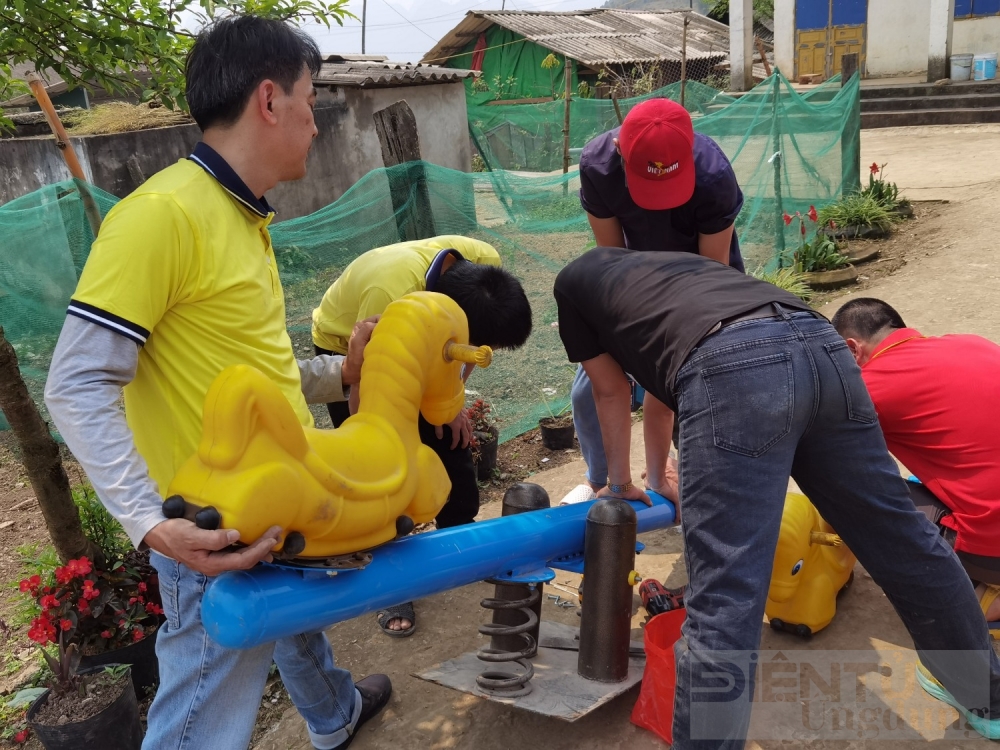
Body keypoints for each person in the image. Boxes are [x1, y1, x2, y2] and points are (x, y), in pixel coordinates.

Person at [45, 17, 391, 750]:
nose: (316, 125)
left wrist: (341, 374)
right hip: (211, 529)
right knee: (201, 712)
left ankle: (334, 714)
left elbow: (247, 370)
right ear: (270, 100)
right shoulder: (163, 216)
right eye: (311, 99)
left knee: (294, 617)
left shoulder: (241, 216)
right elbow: (76, 382)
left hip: (276, 504)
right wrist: (148, 521)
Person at [554, 247, 1000, 748]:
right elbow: (663, 397)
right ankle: (989, 699)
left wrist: (618, 486)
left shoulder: (574, 284)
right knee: (906, 543)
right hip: (822, 344)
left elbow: (611, 393)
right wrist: (658, 476)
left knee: (726, 595)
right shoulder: (677, 278)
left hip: (731, 365)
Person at [312, 235, 533, 636]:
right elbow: (367, 399)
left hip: (430, 345)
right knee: (379, 473)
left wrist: (451, 403)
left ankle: (457, 548)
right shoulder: (390, 298)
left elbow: (461, 351)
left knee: (452, 441)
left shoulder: (485, 269)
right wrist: (372, 438)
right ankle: (392, 586)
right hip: (351, 349)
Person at [562, 97, 745, 505]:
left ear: (688, 154)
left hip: (702, 277)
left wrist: (671, 347)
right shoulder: (598, 166)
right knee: (587, 394)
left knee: (688, 389)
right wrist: (630, 335)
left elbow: (711, 273)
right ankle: (603, 480)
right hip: (633, 277)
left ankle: (683, 473)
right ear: (621, 152)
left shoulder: (713, 173)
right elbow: (611, 262)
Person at [832, 297, 1000, 626]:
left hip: (991, 550)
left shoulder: (868, 388)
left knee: (854, 497)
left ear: (852, 349)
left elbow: (835, 463)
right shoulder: (970, 342)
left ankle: (982, 600)